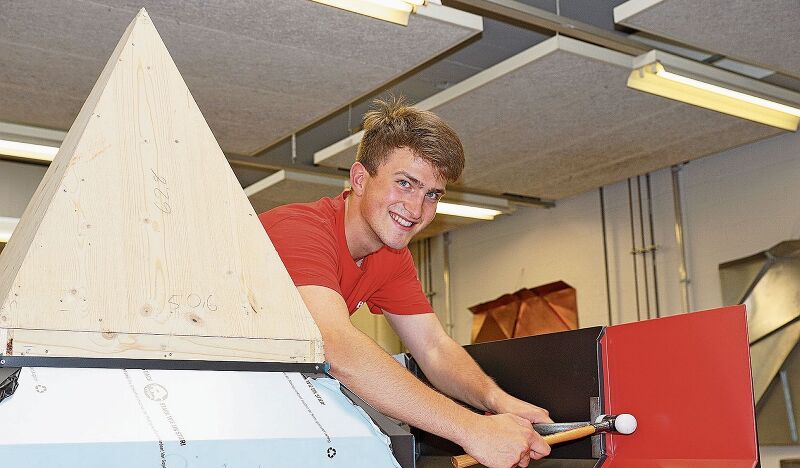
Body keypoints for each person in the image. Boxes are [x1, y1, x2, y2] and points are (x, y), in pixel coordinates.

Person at [259, 97, 551, 468]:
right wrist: (471, 430)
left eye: (431, 194)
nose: (416, 210)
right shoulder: (300, 229)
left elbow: (433, 348)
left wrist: (496, 401)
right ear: (360, 179)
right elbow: (336, 346)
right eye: (404, 184)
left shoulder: (391, 257)